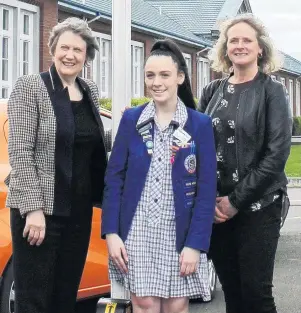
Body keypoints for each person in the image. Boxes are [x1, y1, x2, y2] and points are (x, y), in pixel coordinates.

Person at [101, 39, 217, 313]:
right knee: (143, 303)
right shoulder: (132, 120)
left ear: (179, 77)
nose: (157, 82)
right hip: (138, 229)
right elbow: (114, 178)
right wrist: (112, 233)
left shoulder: (199, 124)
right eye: (150, 75)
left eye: (164, 75)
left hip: (180, 231)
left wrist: (195, 244)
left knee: (176, 305)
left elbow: (207, 188)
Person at [5, 17, 108, 313]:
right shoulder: (30, 88)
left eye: (78, 49)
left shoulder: (89, 90)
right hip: (40, 213)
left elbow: (92, 147)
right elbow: (21, 152)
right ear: (53, 49)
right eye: (64, 47)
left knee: (66, 296)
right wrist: (33, 210)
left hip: (78, 212)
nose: (70, 55)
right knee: (34, 299)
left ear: (86, 56)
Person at [198, 14, 292, 313]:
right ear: (225, 48)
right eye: (233, 40)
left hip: (259, 206)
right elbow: (197, 148)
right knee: (233, 293)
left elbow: (277, 154)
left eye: (246, 40)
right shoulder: (212, 92)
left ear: (260, 48)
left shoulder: (273, 91)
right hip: (216, 210)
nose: (239, 46)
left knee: (256, 294)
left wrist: (235, 201)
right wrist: (210, 201)